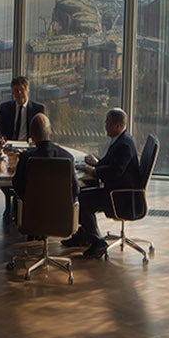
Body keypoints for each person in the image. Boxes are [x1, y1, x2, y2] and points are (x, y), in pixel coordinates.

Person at [66, 107, 142, 260]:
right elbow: (111, 164)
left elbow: (115, 173)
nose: (105, 125)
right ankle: (85, 234)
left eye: (108, 122)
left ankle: (96, 242)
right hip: (117, 190)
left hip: (120, 197)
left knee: (82, 199)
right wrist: (96, 163)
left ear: (117, 126)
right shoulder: (121, 140)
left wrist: (93, 170)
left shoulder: (124, 146)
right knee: (83, 192)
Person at [0, 75, 46, 142]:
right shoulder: (6, 108)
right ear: (13, 92)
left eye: (22, 90)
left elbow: (43, 133)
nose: (19, 93)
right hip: (9, 146)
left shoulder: (37, 109)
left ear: (27, 90)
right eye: (16, 90)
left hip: (29, 146)